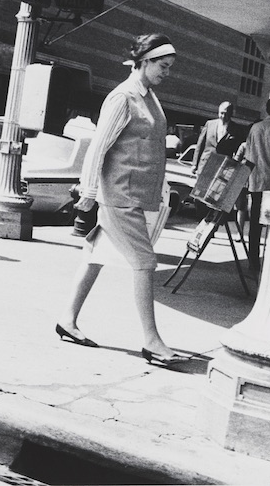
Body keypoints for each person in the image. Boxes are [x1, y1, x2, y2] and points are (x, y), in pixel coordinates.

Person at [58, 33, 187, 366]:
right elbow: (98, 147)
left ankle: (67, 320)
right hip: (120, 195)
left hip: (139, 194)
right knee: (145, 263)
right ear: (144, 62)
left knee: (94, 255)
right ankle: (151, 342)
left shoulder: (150, 98)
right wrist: (87, 192)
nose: (166, 72)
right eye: (162, 66)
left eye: (169, 67)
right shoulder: (123, 97)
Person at [234, 97, 270, 275]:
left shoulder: (255, 128)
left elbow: (248, 153)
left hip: (256, 182)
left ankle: (253, 261)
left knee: (255, 225)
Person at [192, 101, 246, 178]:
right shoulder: (209, 124)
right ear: (218, 112)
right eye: (221, 113)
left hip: (222, 168)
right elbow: (200, 145)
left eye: (226, 114)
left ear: (231, 114)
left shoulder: (236, 129)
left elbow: (238, 150)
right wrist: (194, 164)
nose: (223, 116)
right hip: (205, 164)